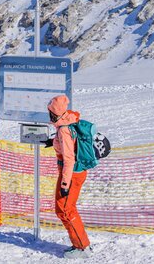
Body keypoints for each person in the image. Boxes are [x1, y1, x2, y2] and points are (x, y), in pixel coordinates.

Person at [45, 95, 91, 258]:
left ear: (55, 113)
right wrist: (54, 141)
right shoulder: (67, 122)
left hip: (71, 174)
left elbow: (69, 159)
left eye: (50, 111)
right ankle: (80, 244)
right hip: (72, 173)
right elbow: (71, 143)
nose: (48, 114)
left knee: (65, 209)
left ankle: (82, 247)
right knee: (63, 208)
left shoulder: (64, 129)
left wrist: (65, 184)